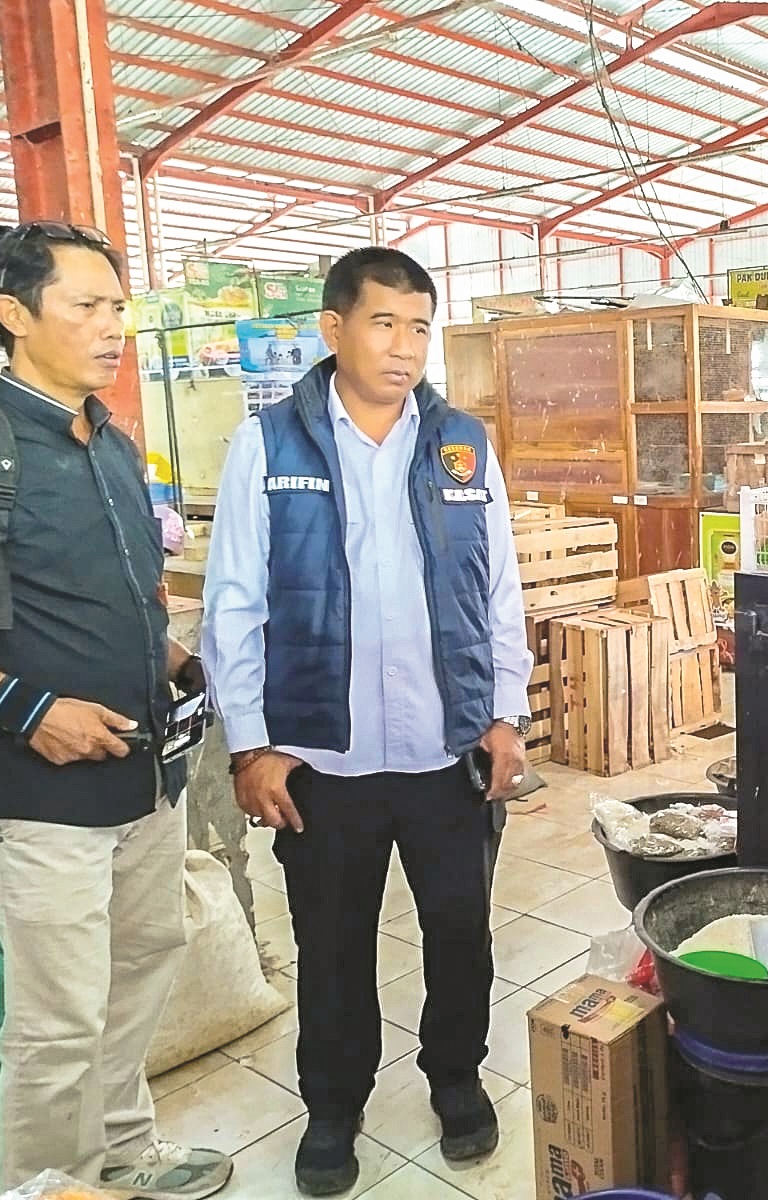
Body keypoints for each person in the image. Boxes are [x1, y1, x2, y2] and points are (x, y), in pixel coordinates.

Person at [0, 222, 230, 1198]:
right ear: (13, 314)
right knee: (58, 1016)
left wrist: (171, 658)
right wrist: (25, 705)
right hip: (35, 795)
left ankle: (119, 1148)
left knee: (143, 963)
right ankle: (44, 1185)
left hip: (142, 776)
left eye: (117, 307)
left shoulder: (111, 445)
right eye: (84, 305)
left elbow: (100, 593)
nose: (110, 326)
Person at [201, 247, 533, 1196]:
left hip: (446, 751)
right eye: (384, 323)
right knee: (334, 944)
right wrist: (253, 745)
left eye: (420, 327)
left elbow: (498, 593)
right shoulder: (271, 446)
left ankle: (457, 1080)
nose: (403, 346)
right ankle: (334, 1108)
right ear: (334, 327)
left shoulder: (462, 443)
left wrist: (505, 715)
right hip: (320, 757)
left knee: (460, 931)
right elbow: (234, 603)